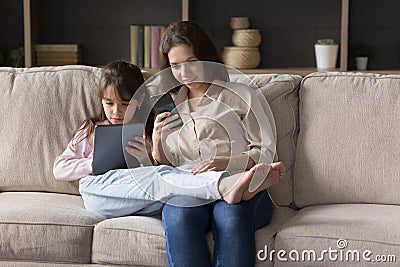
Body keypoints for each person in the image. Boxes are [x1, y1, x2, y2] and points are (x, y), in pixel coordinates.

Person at [53, 60, 284, 218]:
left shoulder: (147, 129)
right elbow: (59, 168)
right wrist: (93, 163)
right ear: (101, 101)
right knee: (100, 188)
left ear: (140, 102)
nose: (116, 112)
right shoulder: (92, 129)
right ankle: (225, 185)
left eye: (125, 104)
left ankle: (223, 185)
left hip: (145, 193)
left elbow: (163, 171)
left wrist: (149, 155)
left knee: (169, 179)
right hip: (102, 192)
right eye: (109, 104)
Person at [157, 21, 283, 267]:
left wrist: (225, 162)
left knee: (229, 215)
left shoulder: (240, 95)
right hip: (194, 191)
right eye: (175, 66)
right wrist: (156, 141)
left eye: (192, 62)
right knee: (178, 215)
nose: (185, 73)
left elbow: (267, 152)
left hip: (244, 187)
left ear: (206, 57)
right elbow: (167, 164)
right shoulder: (169, 106)